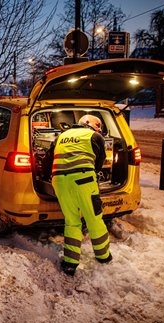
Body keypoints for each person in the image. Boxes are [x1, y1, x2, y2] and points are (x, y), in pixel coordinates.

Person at [51, 114, 112, 276]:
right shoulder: (94, 136)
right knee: (94, 219)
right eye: (98, 124)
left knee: (71, 222)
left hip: (59, 182)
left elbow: (50, 158)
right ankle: (103, 256)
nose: (99, 128)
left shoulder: (61, 136)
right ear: (87, 123)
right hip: (83, 180)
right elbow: (99, 162)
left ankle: (70, 263)